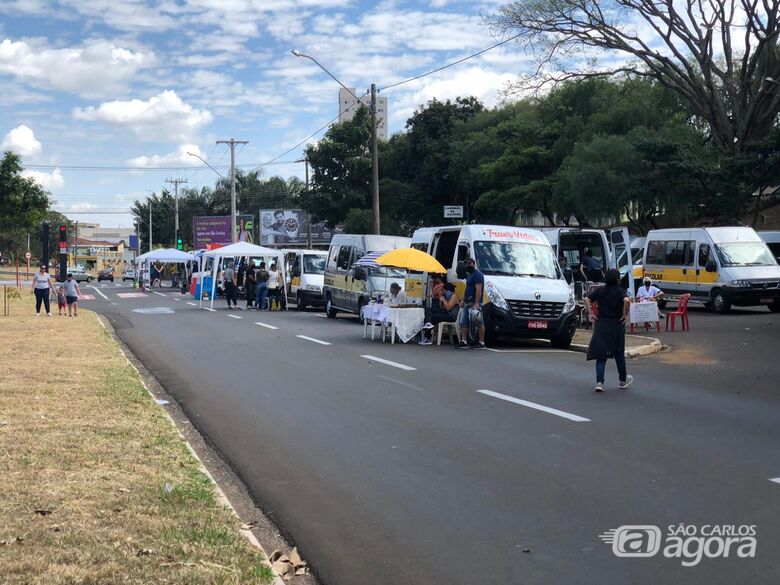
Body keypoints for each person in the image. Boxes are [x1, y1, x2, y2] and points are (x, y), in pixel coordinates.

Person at [584, 268, 634, 392]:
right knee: (618, 353)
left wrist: (591, 313)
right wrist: (625, 314)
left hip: (601, 324)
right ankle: (622, 380)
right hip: (616, 325)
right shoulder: (620, 291)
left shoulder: (600, 290)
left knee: (601, 355)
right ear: (618, 279)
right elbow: (627, 300)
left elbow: (586, 299)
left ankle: (599, 382)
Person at [458, 257, 486, 349]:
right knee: (463, 322)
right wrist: (462, 300)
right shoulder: (469, 274)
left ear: (473, 264)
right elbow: (467, 289)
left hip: (474, 302)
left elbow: (479, 289)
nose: (468, 266)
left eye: (469, 264)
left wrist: (477, 303)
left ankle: (481, 342)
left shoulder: (478, 275)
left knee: (479, 322)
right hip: (467, 302)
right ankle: (464, 341)